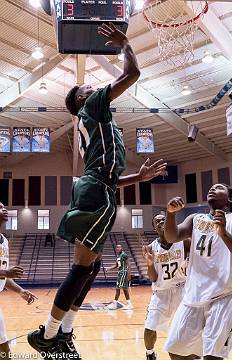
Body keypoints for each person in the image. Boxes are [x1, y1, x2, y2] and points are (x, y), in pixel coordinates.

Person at [28, 23, 167, 357]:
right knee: (82, 267)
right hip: (95, 191)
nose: (92, 85)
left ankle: (63, 331)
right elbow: (132, 74)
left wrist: (139, 179)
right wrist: (126, 44)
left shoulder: (96, 121)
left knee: (89, 266)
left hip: (98, 188)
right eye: (85, 86)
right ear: (81, 99)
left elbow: (108, 177)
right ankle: (48, 335)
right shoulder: (92, 108)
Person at [164, 183, 232, 360]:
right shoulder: (195, 218)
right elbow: (171, 236)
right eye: (211, 187)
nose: (212, 189)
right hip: (193, 296)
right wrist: (170, 214)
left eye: (219, 187)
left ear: (229, 198)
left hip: (225, 295)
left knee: (212, 356)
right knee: (176, 351)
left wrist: (223, 234)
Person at [143, 213, 189, 360]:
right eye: (158, 221)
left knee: (185, 328)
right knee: (149, 328)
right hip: (161, 292)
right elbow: (153, 277)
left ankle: (187, 353)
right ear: (154, 227)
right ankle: (150, 354)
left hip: (182, 290)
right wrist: (150, 264)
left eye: (164, 219)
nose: (162, 222)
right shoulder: (151, 248)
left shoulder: (184, 242)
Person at [0, 202, 37, 359]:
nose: (4, 209)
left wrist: (20, 291)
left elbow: (3, 277)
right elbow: (4, 273)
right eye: (0, 207)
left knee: (4, 348)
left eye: (4, 207)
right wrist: (7, 272)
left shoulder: (5, 241)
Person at [105, 244, 133, 310]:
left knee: (118, 288)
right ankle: (129, 304)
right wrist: (109, 268)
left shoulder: (124, 254)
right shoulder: (118, 256)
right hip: (120, 272)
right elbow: (116, 265)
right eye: (117, 247)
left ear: (121, 248)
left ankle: (115, 303)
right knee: (125, 289)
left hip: (123, 272)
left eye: (119, 247)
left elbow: (129, 263)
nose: (118, 248)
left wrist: (129, 273)